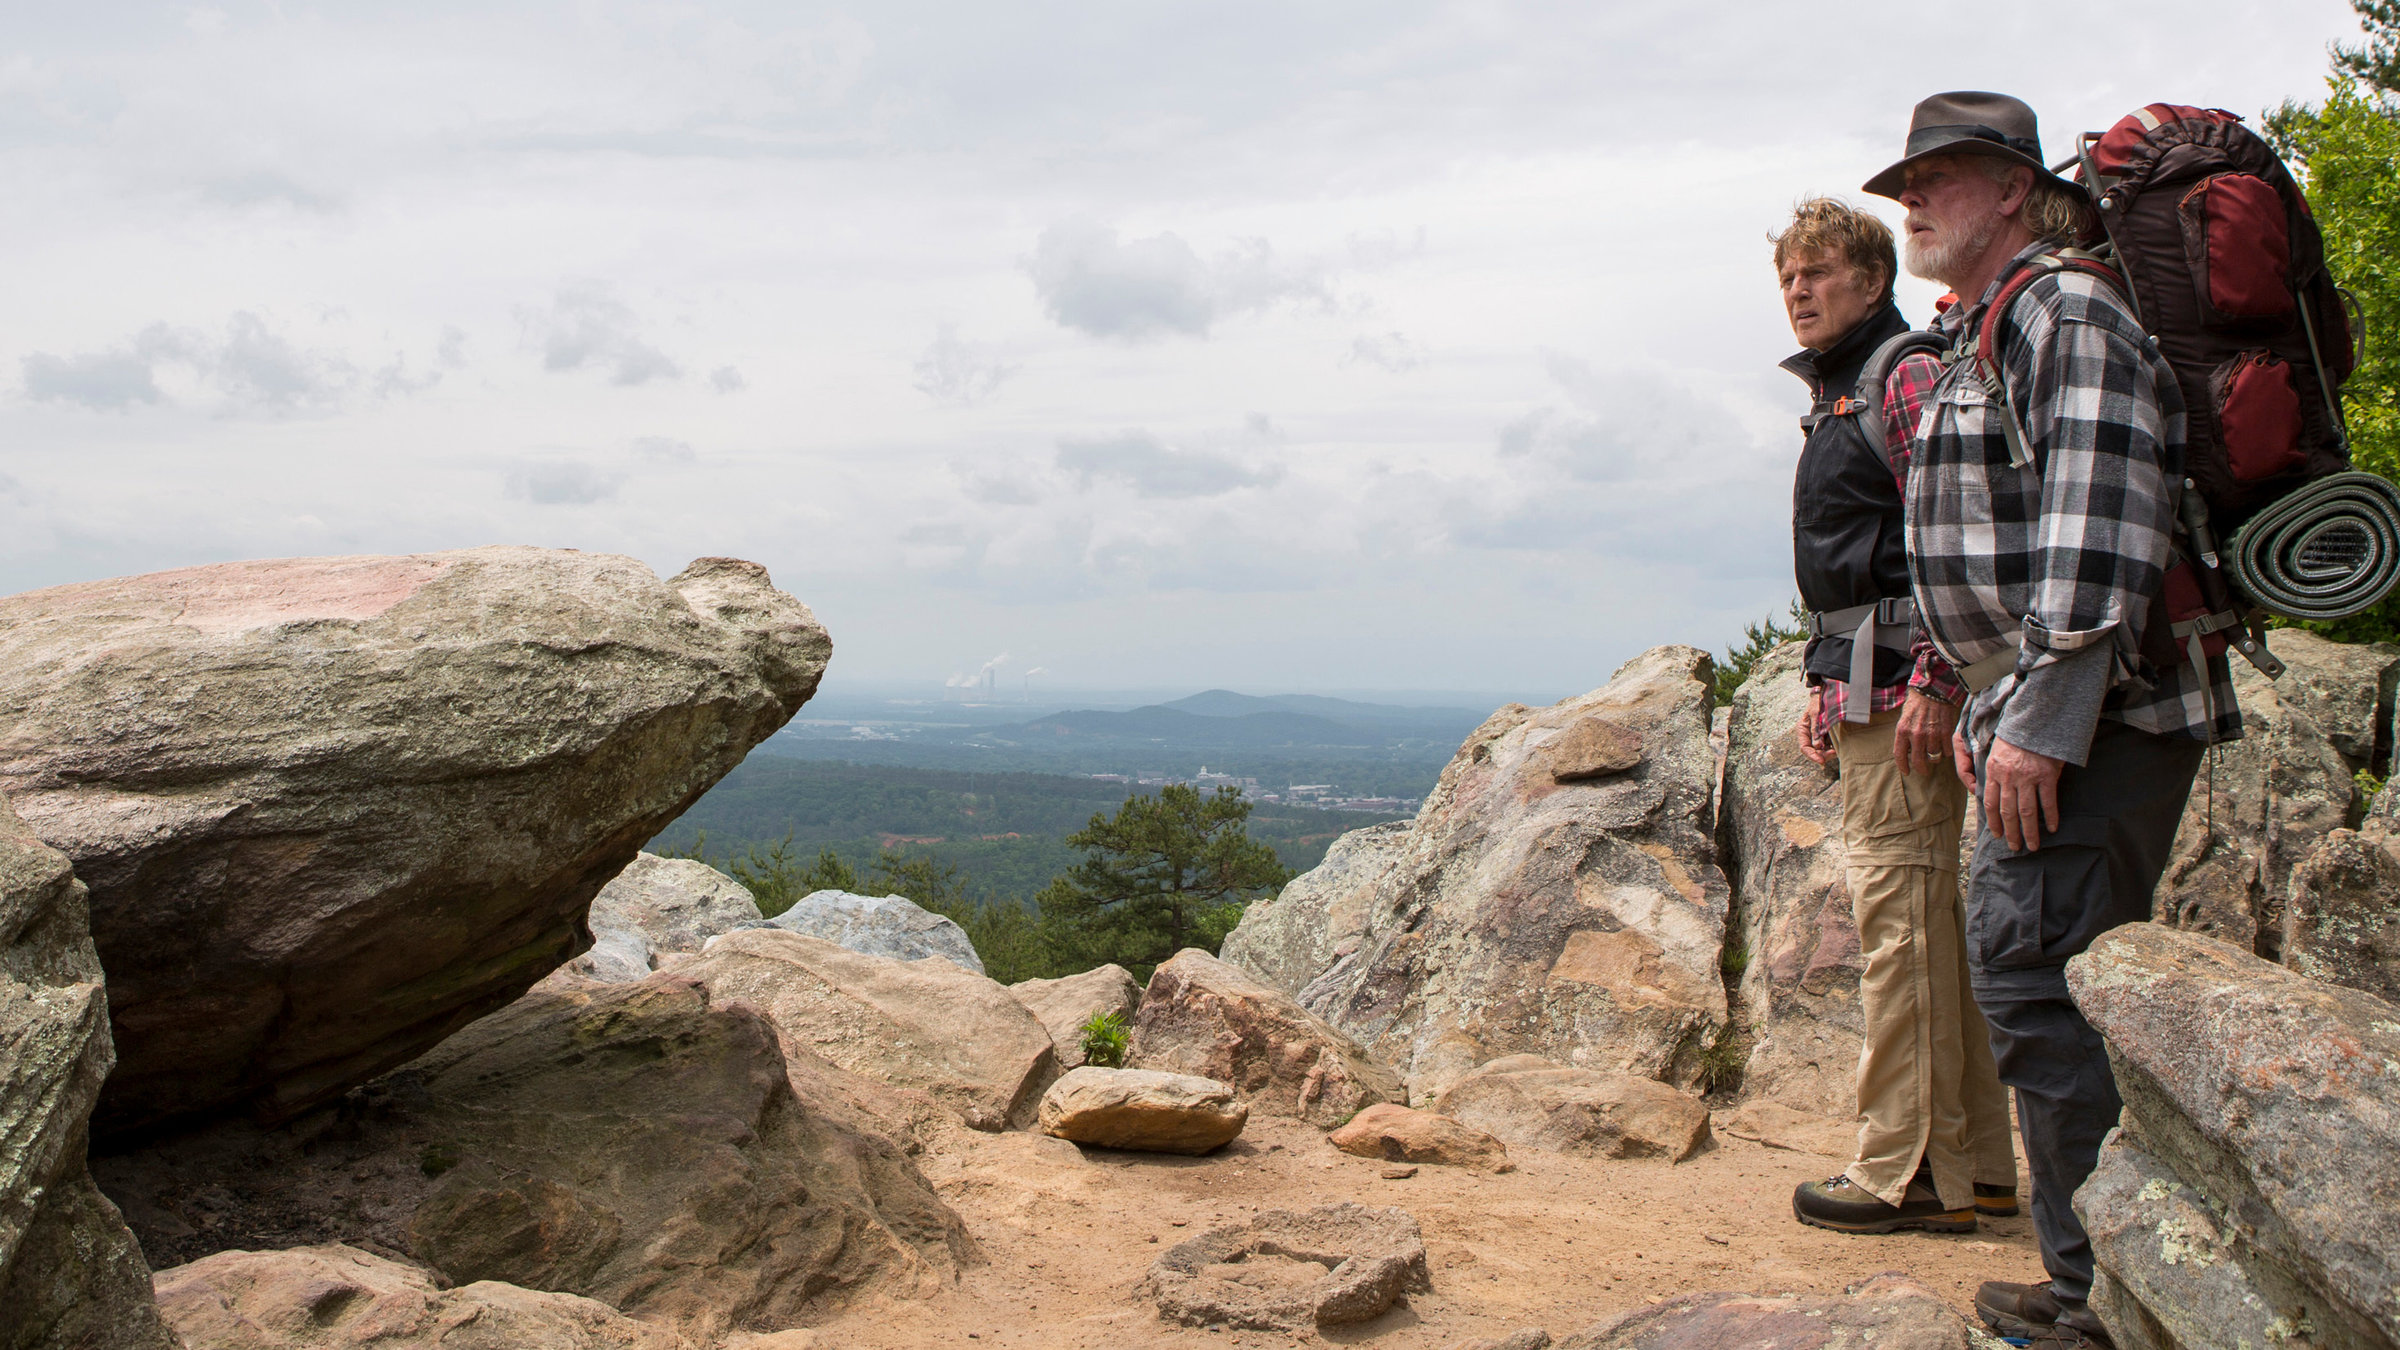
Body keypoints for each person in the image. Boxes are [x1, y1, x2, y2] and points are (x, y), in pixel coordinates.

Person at [1863, 92, 2241, 1349]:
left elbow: (2102, 512)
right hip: (2043, 716)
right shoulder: (1988, 325)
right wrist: (1965, 694)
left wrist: (2044, 716)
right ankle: (2094, 1276)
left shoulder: (2062, 309)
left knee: (2041, 986)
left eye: (1938, 177)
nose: (1909, 199)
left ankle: (2099, 1305)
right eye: (1904, 181)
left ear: (2015, 187)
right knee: (2042, 982)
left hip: (2095, 720)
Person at [1771, 199, 2018, 1241]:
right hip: (1868, 681)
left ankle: (1907, 1172)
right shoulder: (1847, 390)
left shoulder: (1900, 373)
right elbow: (1864, 554)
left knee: (1900, 920)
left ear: (1873, 282)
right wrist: (1826, 686)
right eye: (1788, 276)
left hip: (1910, 688)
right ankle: (1980, 1161)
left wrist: (1935, 675)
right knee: (1928, 921)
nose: (1798, 291)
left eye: (1820, 272)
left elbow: (1957, 527)